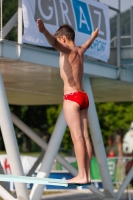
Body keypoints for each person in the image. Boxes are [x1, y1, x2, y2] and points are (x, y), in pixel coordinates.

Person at [37, 18, 98, 185]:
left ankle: (82, 175)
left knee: (76, 136)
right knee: (85, 137)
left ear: (63, 39)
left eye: (59, 41)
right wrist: (93, 37)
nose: (58, 45)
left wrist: (44, 31)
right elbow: (87, 45)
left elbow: (52, 42)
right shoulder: (79, 50)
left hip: (71, 97)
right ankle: (87, 175)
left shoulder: (67, 50)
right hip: (83, 97)